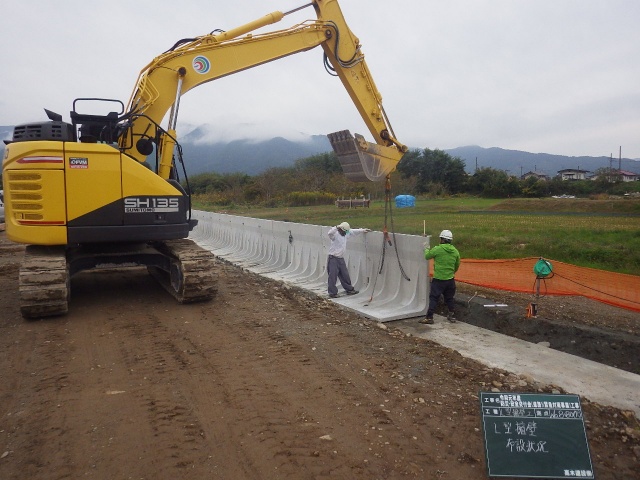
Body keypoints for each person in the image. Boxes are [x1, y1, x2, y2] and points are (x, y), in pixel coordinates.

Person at [420, 229, 460, 324]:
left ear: (442, 239)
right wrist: (450, 273)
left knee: (434, 298)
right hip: (450, 280)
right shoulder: (455, 251)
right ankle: (452, 315)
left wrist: (426, 247)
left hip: (438, 280)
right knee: (449, 298)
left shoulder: (437, 249)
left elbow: (427, 256)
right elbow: (457, 265)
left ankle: (429, 318)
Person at [327, 221, 370, 298]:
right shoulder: (335, 235)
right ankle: (332, 293)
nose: (346, 232)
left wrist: (362, 230)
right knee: (332, 276)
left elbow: (353, 231)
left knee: (345, 274)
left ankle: (349, 289)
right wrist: (336, 227)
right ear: (341, 229)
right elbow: (330, 233)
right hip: (333, 258)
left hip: (340, 258)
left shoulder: (345, 234)